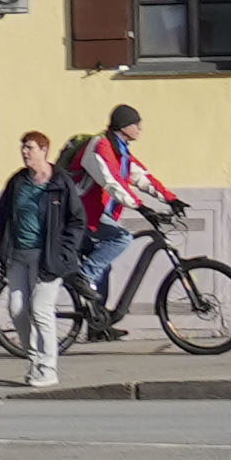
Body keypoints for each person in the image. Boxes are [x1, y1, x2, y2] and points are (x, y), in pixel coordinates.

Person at [72, 105, 176, 331]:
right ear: (124, 125)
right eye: (136, 123)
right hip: (79, 212)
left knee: (103, 266)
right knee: (121, 238)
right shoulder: (100, 146)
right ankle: (82, 277)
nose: (140, 128)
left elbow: (141, 177)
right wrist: (141, 207)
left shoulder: (121, 151)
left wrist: (171, 200)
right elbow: (112, 180)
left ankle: (97, 327)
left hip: (93, 213)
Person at [0, 129, 70, 387]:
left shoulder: (60, 182)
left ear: (44, 150)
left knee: (40, 309)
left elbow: (76, 220)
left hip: (47, 259)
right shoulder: (18, 182)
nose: (25, 152)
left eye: (30, 147)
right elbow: (3, 217)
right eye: (23, 147)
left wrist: (65, 251)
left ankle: (48, 368)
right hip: (17, 257)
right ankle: (34, 361)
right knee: (17, 310)